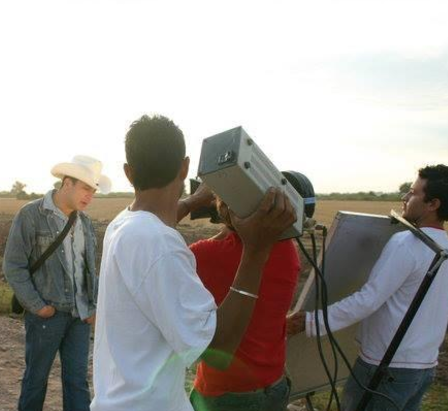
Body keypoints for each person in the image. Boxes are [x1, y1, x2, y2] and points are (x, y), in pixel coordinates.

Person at [90, 114, 297, 411]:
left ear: (129, 173)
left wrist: (192, 201)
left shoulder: (124, 224)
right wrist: (256, 251)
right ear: (185, 167)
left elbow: (156, 224)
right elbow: (217, 346)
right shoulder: (161, 246)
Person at [287, 165, 448, 411]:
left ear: (432, 204)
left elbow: (368, 300)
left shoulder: (407, 243)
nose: (404, 197)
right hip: (424, 367)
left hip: (386, 368)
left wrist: (309, 321)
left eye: (413, 192)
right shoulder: (444, 247)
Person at [3, 155, 111, 411]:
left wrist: (92, 305)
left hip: (79, 317)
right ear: (66, 183)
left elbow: (87, 269)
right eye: (85, 188)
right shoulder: (31, 215)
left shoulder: (84, 222)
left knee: (77, 383)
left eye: (93, 191)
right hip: (45, 317)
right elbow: (13, 266)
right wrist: (38, 306)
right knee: (35, 381)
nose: (90, 197)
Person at [187, 197, 300, 411]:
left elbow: (162, 255)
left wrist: (194, 202)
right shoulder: (287, 250)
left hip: (224, 392)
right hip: (274, 383)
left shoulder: (203, 255)